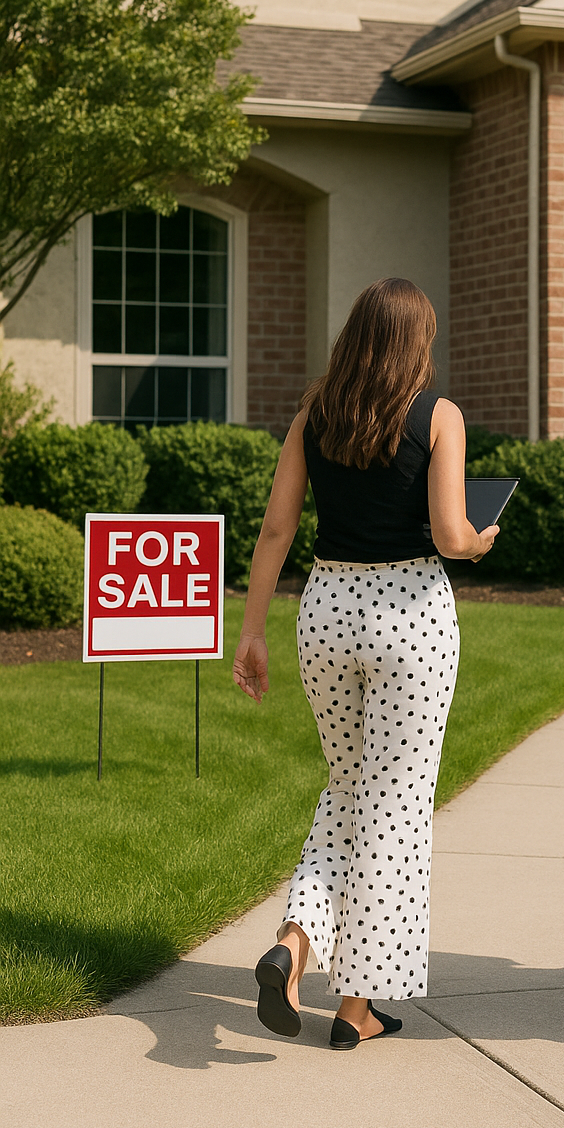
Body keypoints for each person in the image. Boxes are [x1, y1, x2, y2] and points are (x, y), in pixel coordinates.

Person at [233, 278, 498, 1050]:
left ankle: (294, 945)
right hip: (411, 616)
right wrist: (482, 538)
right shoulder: (437, 416)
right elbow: (450, 536)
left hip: (327, 609)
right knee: (397, 811)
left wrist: (252, 632)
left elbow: (277, 531)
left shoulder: (314, 415)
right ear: (418, 342)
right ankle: (358, 1008)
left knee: (349, 792)